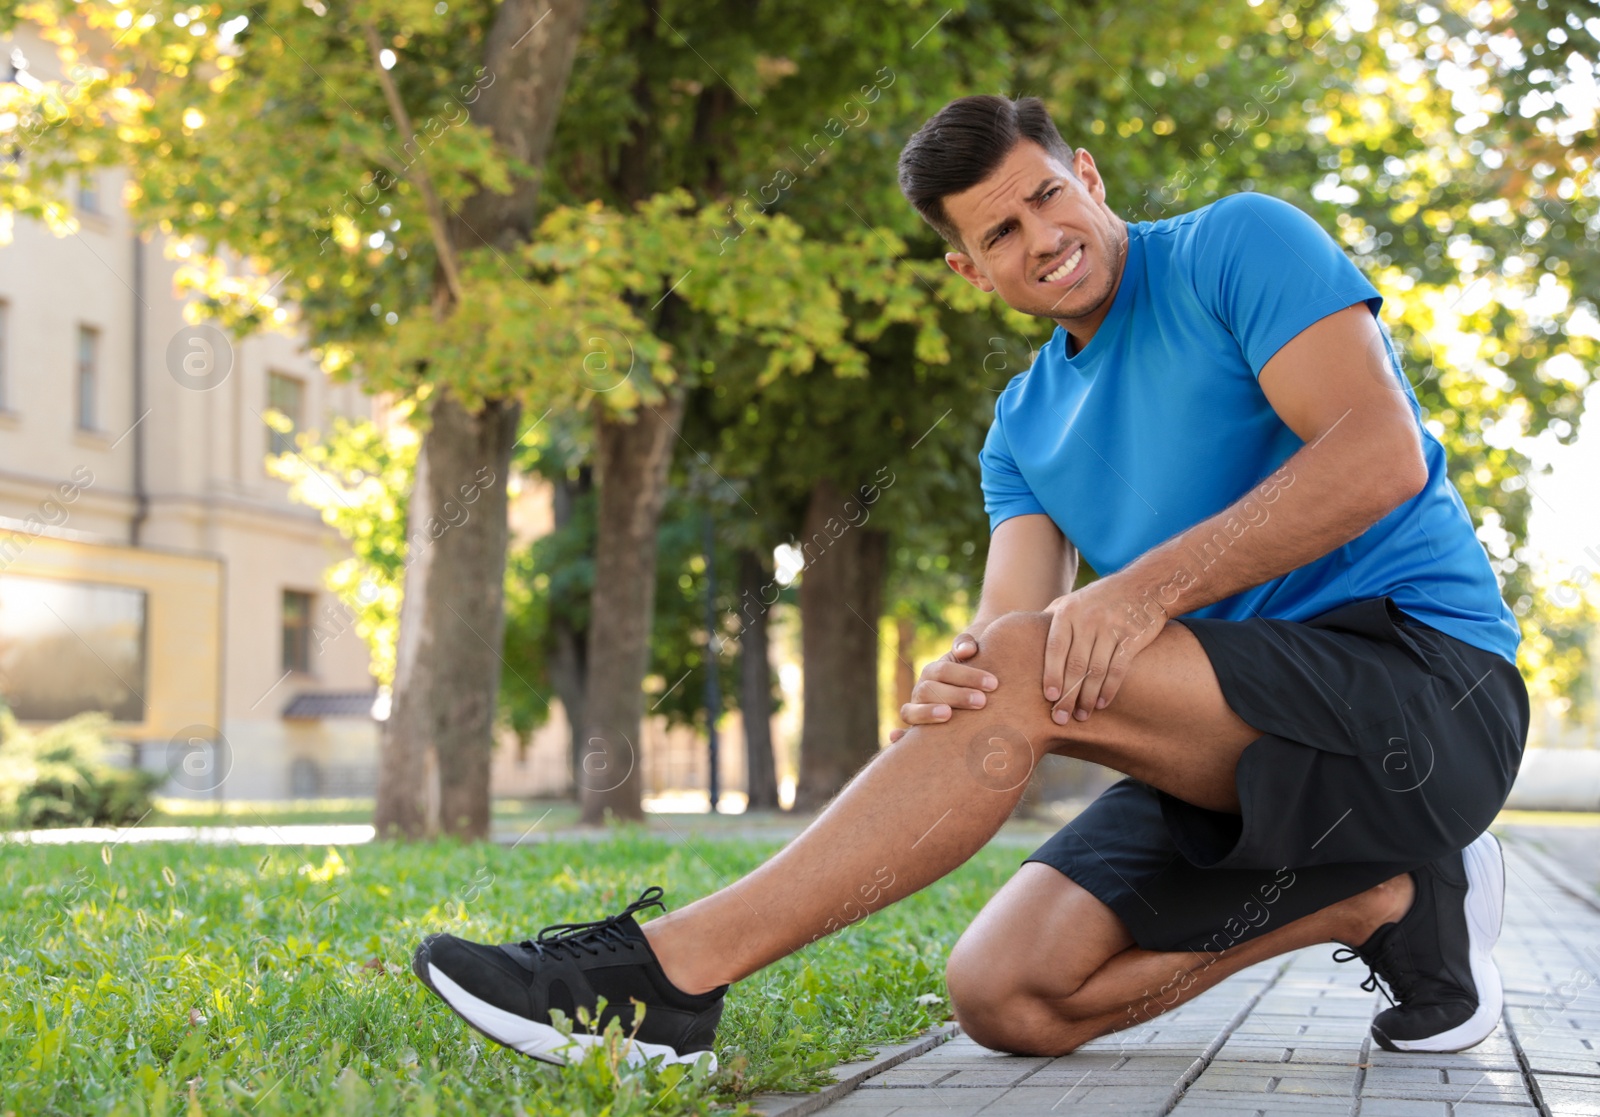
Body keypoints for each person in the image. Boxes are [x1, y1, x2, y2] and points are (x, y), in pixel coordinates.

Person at [411, 95, 1529, 1071]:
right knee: (1006, 995)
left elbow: (1375, 453)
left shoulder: (1237, 246)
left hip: (1426, 691)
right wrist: (958, 683)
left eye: (1046, 196)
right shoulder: (1022, 430)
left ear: (1086, 176)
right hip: (1236, 744)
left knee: (1026, 668)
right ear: (968, 267)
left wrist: (1132, 596)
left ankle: (669, 976)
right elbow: (1012, 638)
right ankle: (1381, 893)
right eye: (1001, 229)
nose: (1041, 237)